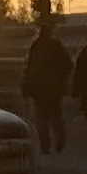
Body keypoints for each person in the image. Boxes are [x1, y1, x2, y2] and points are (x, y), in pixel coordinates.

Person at [21, 19, 72, 153]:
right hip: (54, 88)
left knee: (41, 117)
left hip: (39, 89)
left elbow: (29, 68)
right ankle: (59, 141)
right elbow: (68, 64)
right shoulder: (56, 45)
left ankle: (45, 145)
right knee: (56, 115)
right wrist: (62, 80)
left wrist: (27, 85)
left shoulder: (35, 46)